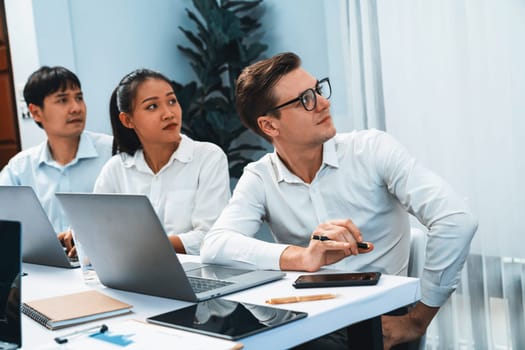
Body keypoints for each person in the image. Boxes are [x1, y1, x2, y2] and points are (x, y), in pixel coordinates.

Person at [201, 52, 478, 349]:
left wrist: (417, 320)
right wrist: (303, 257)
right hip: (307, 319)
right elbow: (215, 245)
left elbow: (457, 220)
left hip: (374, 324)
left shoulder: (372, 150)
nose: (323, 103)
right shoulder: (260, 177)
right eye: (305, 99)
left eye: (318, 90)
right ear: (270, 126)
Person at [93, 68, 230, 255]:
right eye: (152, 106)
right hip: (134, 271)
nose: (168, 113)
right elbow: (97, 227)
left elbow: (211, 236)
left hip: (197, 273)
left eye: (172, 101)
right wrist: (80, 237)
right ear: (128, 120)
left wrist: (142, 245)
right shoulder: (116, 168)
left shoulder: (208, 157)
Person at [0, 66, 112, 256]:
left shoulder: (113, 152)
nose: (76, 108)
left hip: (103, 267)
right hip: (43, 272)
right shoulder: (20, 168)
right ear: (35, 112)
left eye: (79, 98)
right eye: (62, 100)